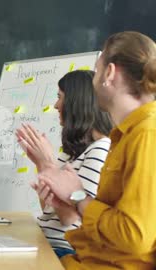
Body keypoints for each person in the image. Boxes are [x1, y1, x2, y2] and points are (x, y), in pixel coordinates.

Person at [37, 31, 156, 269]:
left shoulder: (146, 135)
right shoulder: (125, 135)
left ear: (109, 73)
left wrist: (77, 196)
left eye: (97, 70)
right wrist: (70, 202)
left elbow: (133, 236)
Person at [16, 70, 113, 258]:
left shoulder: (101, 149)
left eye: (59, 97)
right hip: (45, 240)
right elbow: (49, 209)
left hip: (63, 248)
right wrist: (41, 165)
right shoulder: (71, 153)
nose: (55, 105)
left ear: (76, 103)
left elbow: (72, 220)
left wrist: (47, 164)